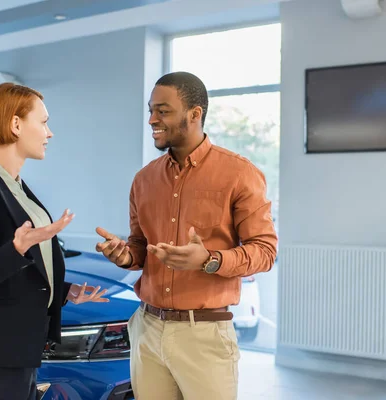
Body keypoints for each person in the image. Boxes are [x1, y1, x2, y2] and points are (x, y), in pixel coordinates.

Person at [95, 71, 278, 399]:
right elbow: (140, 246)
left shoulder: (240, 174)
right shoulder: (143, 180)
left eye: (162, 111)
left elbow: (265, 251)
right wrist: (125, 254)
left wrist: (209, 260)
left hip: (205, 335)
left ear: (195, 114)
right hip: (147, 328)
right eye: (151, 110)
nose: (152, 119)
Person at [0, 83, 109, 400]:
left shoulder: (15, 187)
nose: (50, 133)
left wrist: (62, 291)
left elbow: (19, 275)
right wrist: (16, 249)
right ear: (16, 125)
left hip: (18, 355)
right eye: (43, 122)